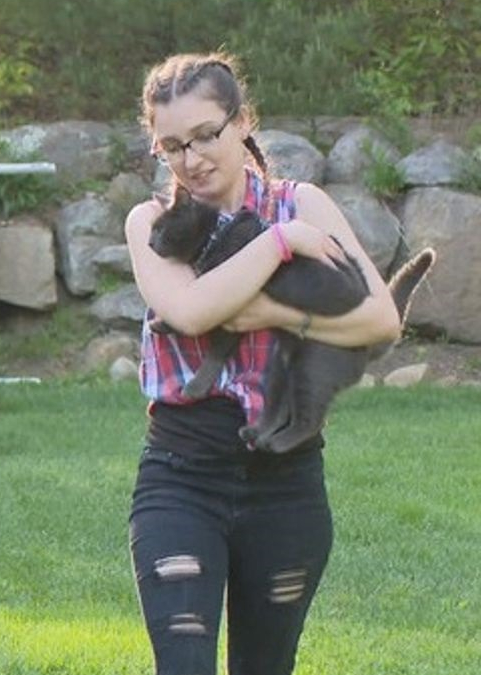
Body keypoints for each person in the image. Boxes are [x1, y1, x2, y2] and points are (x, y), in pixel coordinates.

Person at [124, 52, 402, 675]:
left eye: (205, 135)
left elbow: (381, 319)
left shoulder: (304, 203)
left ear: (242, 120)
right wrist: (280, 244)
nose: (191, 159)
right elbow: (191, 312)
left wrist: (276, 314)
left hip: (287, 484)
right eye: (172, 145)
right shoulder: (151, 222)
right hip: (182, 477)